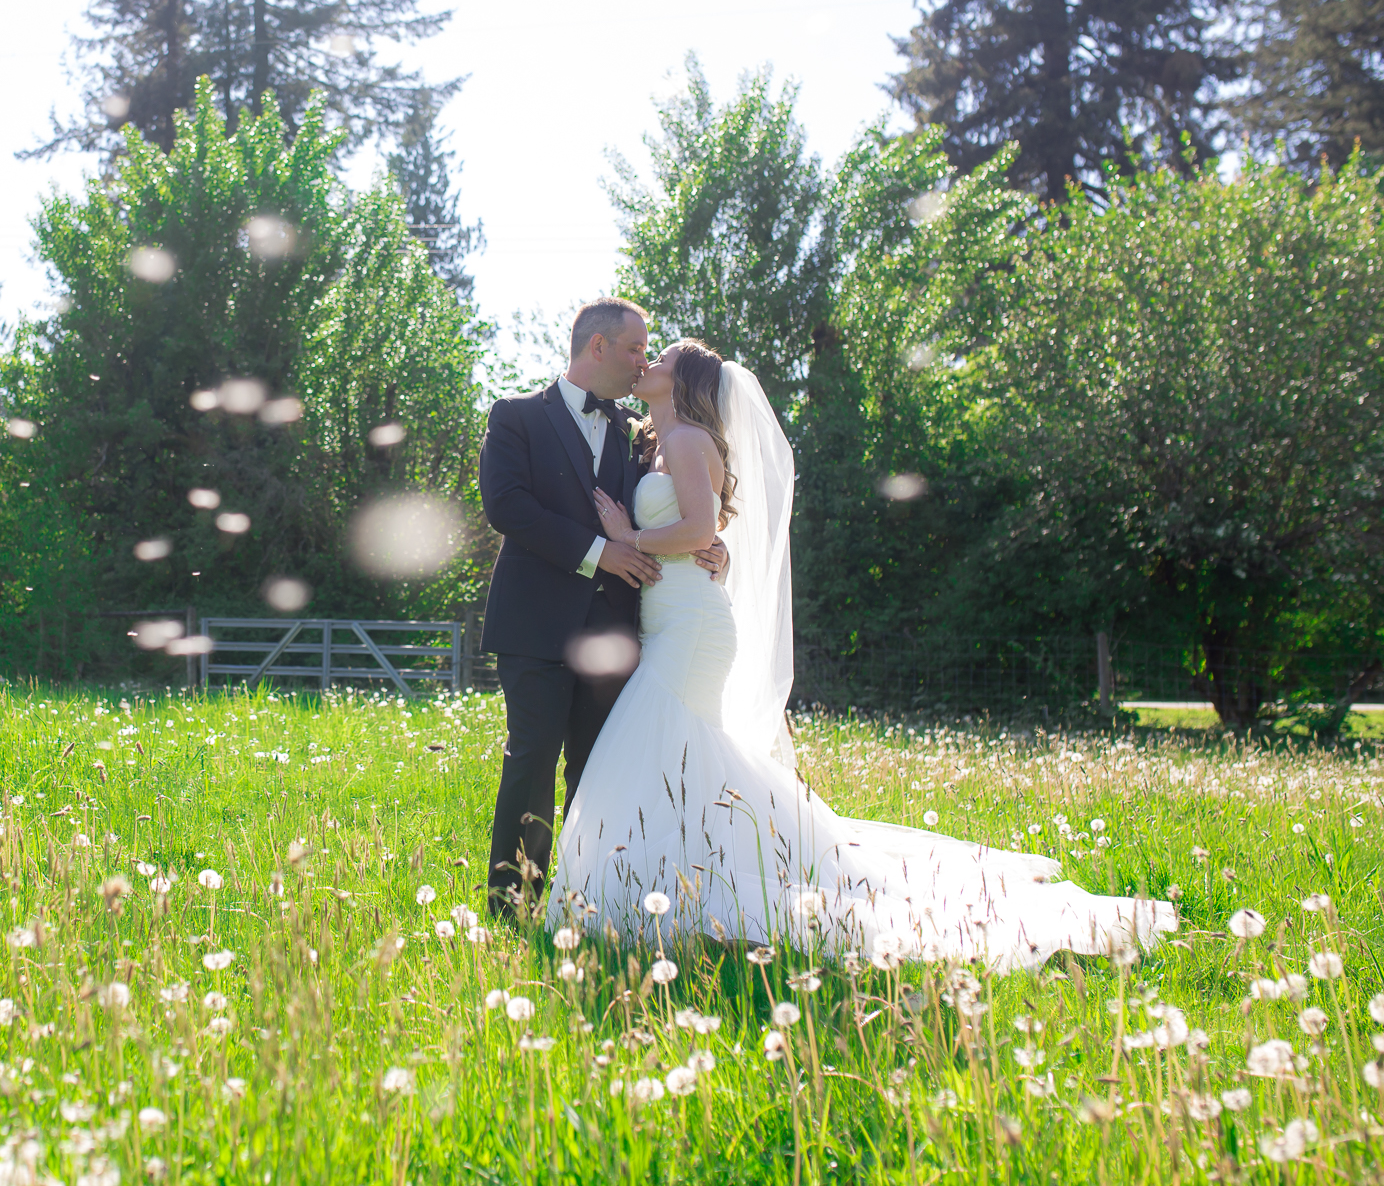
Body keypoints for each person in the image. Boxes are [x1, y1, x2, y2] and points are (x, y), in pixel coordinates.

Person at [546, 338, 1176, 971]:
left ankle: (674, 885)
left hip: (689, 629)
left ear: (684, 382)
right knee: (683, 748)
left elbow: (701, 533)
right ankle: (681, 875)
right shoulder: (656, 442)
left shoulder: (686, 441)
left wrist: (629, 537)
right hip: (673, 620)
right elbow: (706, 533)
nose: (647, 364)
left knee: (668, 737)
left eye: (662, 360)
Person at [475, 298, 724, 918]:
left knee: (598, 764)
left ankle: (590, 897)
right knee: (532, 756)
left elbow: (679, 508)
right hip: (534, 622)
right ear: (598, 348)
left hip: (616, 629)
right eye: (637, 349)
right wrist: (599, 553)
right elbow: (508, 509)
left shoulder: (636, 436)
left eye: (650, 353)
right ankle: (515, 903)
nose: (643, 361)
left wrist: (712, 545)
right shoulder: (516, 417)